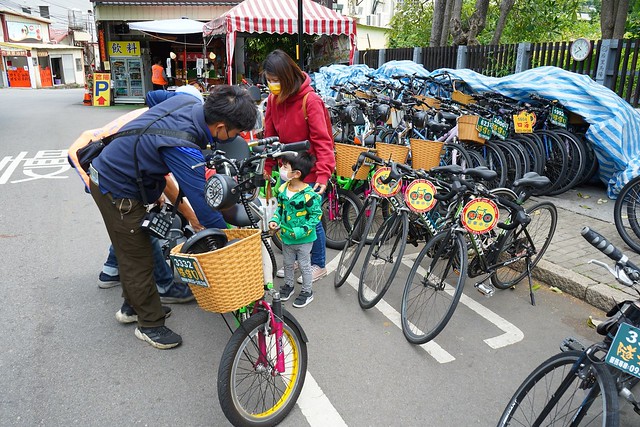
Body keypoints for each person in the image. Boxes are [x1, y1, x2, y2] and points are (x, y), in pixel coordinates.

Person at [88, 85, 257, 349]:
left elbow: (152, 97)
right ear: (222, 127)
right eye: (235, 133)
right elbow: (205, 205)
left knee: (137, 247)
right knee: (137, 257)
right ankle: (150, 325)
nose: (233, 138)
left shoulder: (187, 100)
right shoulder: (183, 144)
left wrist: (146, 154)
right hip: (116, 186)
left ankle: (133, 305)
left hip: (126, 173)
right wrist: (226, 242)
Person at [262, 49, 335, 284]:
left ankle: (318, 264)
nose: (271, 85)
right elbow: (270, 137)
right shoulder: (274, 99)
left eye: (275, 80)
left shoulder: (310, 100)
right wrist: (268, 167)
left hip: (309, 171)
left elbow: (323, 141)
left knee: (309, 220)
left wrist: (323, 176)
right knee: (288, 218)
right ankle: (296, 259)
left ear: (288, 77)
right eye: (268, 80)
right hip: (286, 172)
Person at [269, 152, 322, 308]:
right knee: (287, 263)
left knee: (305, 265)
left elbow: (316, 216)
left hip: (304, 239)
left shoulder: (308, 195)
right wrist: (274, 220)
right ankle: (289, 286)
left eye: (285, 167)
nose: (282, 169)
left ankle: (307, 291)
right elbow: (280, 209)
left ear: (297, 173)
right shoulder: (283, 189)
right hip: (286, 237)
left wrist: (302, 230)